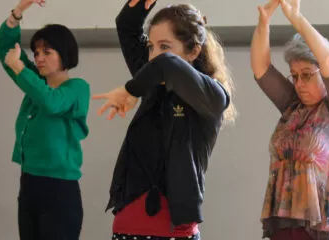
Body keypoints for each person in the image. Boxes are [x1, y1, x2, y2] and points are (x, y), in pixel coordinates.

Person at [91, 0, 237, 239]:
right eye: (150, 47)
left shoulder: (213, 96)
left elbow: (167, 65)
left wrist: (130, 90)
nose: (153, 56)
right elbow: (126, 25)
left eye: (164, 46)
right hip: (126, 227)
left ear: (194, 51)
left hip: (174, 232)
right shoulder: (151, 84)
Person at [250, 0, 329, 239]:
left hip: (322, 231)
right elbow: (261, 69)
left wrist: (297, 20)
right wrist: (263, 23)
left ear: (325, 77)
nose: (299, 84)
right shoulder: (292, 107)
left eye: (307, 75)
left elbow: (328, 60)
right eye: (295, 76)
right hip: (284, 227)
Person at [0, 0, 90, 239]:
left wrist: (19, 68)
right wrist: (18, 12)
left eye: (47, 52)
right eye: (36, 52)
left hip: (59, 191)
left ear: (65, 53)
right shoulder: (35, 86)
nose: (38, 58)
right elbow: (5, 49)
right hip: (29, 186)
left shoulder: (77, 88)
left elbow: (52, 102)